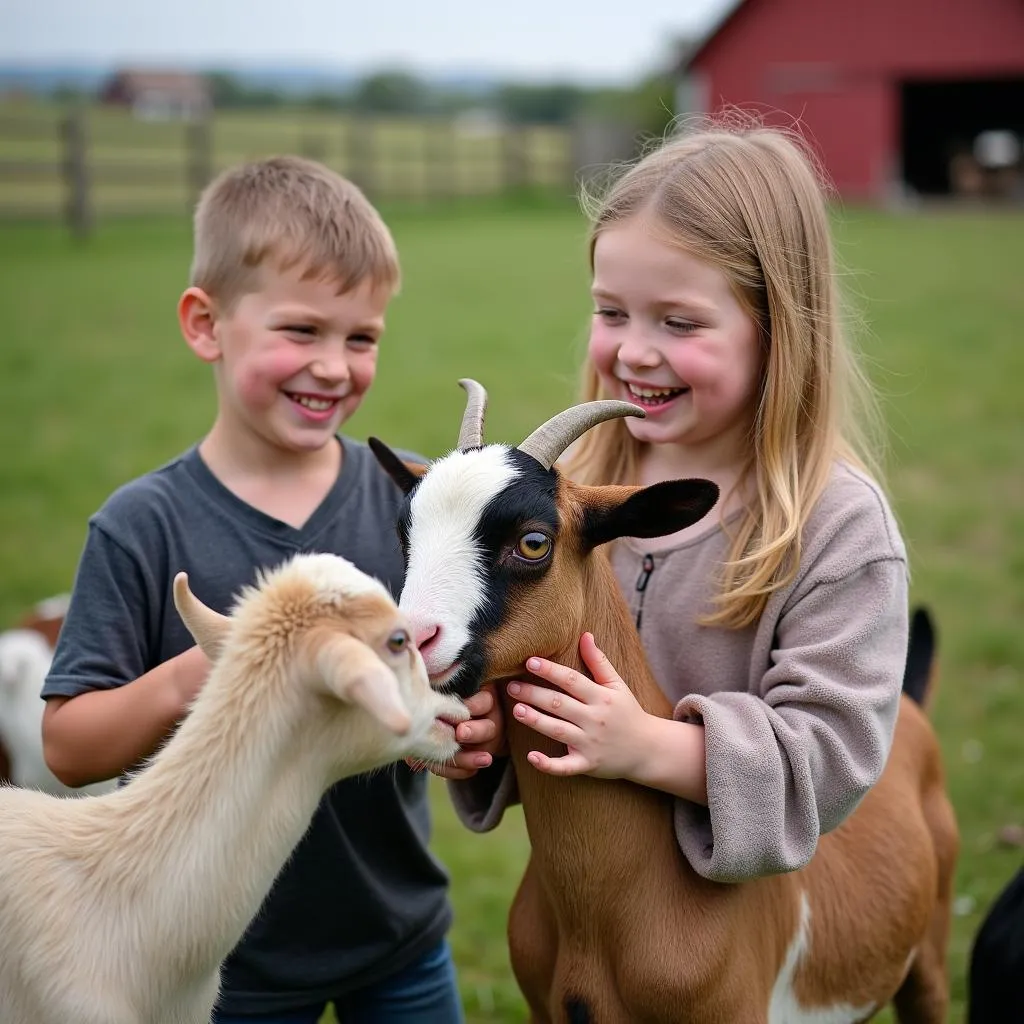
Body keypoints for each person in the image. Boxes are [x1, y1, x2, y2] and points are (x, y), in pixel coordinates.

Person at [41, 156, 465, 1022]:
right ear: (207, 324)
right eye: (301, 331)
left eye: (362, 338)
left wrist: (462, 714)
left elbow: (442, 676)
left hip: (399, 934)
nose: (335, 366)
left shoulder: (403, 504)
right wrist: (204, 677)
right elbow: (69, 749)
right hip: (217, 961)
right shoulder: (143, 525)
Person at [439, 119, 910, 882]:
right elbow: (522, 667)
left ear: (777, 327)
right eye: (611, 312)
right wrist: (484, 726)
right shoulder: (568, 493)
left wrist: (647, 746)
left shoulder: (837, 528)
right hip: (590, 899)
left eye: (679, 322)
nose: (632, 351)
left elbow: (833, 757)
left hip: (754, 923)